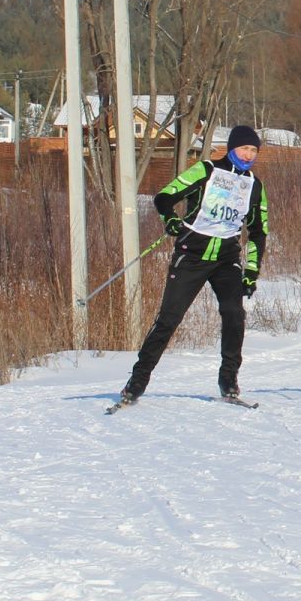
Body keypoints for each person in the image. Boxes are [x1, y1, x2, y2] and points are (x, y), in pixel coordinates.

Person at [116, 125, 269, 408]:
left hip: (226, 258)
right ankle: (136, 383)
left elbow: (258, 232)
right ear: (232, 148)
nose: (248, 155)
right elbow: (163, 197)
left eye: (253, 150)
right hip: (192, 256)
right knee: (169, 319)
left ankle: (229, 380)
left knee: (234, 314)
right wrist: (171, 219)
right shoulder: (206, 170)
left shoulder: (254, 185)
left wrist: (251, 272)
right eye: (244, 148)